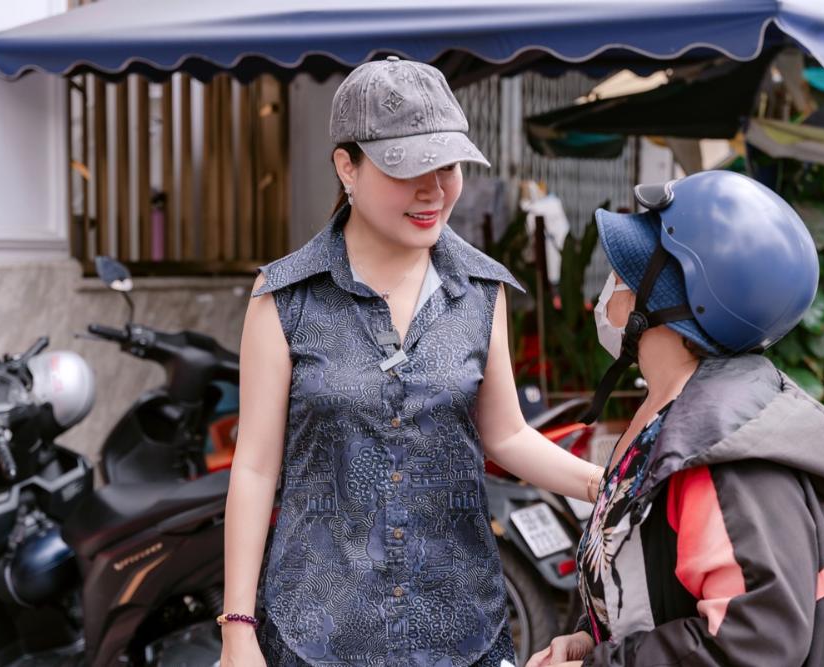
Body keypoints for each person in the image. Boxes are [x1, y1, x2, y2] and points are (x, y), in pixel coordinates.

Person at [219, 56, 603, 667]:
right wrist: (237, 629)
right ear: (347, 166)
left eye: (446, 166)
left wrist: (605, 486)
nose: (434, 190)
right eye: (408, 169)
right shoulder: (285, 297)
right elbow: (255, 467)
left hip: (459, 630)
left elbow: (506, 434)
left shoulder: (481, 289)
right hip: (318, 635)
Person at [526, 170, 824, 667]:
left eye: (624, 275)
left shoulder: (723, 455)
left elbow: (750, 641)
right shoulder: (674, 416)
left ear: (673, 306)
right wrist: (593, 637)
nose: (609, 289)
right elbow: (655, 583)